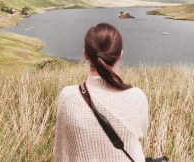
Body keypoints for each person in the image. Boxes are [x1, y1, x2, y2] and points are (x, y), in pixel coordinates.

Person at [53, 23, 149, 162]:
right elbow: (141, 134)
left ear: (85, 54)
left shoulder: (69, 97)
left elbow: (61, 152)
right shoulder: (138, 97)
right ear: (120, 55)